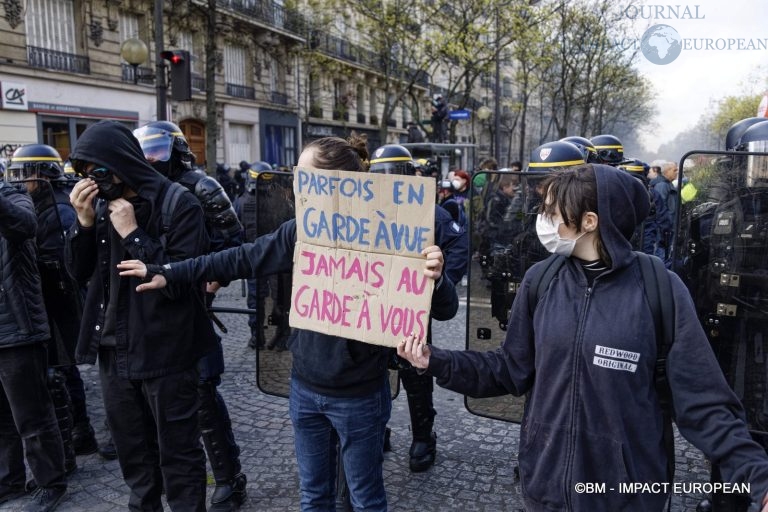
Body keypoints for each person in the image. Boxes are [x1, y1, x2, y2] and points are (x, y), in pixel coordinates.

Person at [397, 163, 768, 512]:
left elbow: (705, 402)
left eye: (551, 211)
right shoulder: (540, 280)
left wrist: (759, 480)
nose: (542, 220)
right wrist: (435, 360)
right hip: (545, 490)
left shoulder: (661, 290)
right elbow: (509, 369)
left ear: (589, 221)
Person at [118, 135, 460, 510]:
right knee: (314, 497)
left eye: (305, 172)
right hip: (305, 390)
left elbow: (443, 310)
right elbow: (241, 258)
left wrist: (437, 277)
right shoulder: (302, 230)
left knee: (366, 499)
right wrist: (170, 272)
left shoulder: (394, 234)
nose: (297, 180)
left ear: (335, 181)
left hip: (360, 396)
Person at [66, 120, 215, 512]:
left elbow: (184, 279)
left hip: (167, 351)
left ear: (119, 161)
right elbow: (78, 274)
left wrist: (132, 233)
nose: (93, 183)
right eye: (84, 175)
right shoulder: (98, 208)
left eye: (97, 172)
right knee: (134, 458)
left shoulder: (178, 203)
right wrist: (82, 224)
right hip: (113, 352)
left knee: (179, 456)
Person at [133, 120, 247, 510]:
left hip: (194, 298)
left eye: (158, 150)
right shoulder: (139, 190)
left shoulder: (202, 187)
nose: (151, 158)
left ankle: (229, 476)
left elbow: (234, 243)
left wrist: (209, 284)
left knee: (201, 389)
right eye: (145, 150)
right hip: (156, 302)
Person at [368, 144, 468, 472]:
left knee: (416, 373)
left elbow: (457, 243)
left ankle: (423, 436)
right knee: (372, 372)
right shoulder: (365, 211)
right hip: (372, 308)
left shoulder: (431, 214)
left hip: (411, 311)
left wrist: (441, 283)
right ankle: (376, 428)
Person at [6, 145, 99, 474]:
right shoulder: (40, 201)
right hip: (49, 299)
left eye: (25, 173)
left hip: (61, 301)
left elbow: (65, 262)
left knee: (62, 369)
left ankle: (80, 431)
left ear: (42, 174)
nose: (20, 180)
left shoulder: (59, 207)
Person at [0, 173, 68, 511]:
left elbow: (24, 226)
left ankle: (50, 482)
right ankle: (8, 480)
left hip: (18, 329)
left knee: (32, 416)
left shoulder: (13, 197)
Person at [234, 161, 294, 350]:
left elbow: (236, 232)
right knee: (280, 299)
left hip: (255, 258)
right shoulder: (279, 201)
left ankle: (257, 336)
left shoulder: (241, 202)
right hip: (276, 257)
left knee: (257, 300)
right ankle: (281, 336)